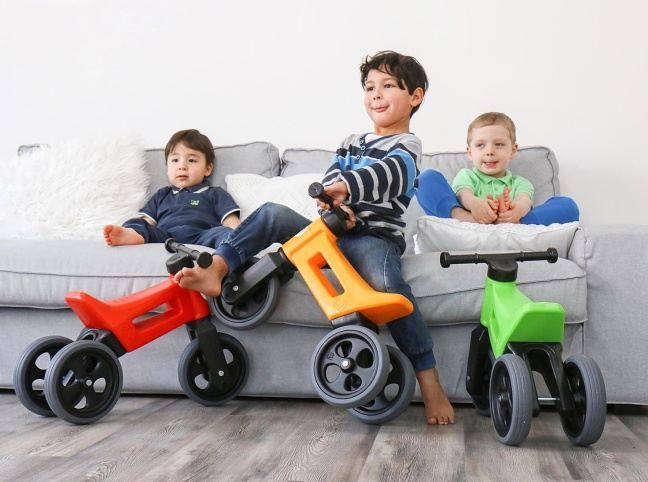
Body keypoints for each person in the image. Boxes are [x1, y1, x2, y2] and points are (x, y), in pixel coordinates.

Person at [174, 51, 455, 425]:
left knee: (390, 286)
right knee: (272, 213)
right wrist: (330, 199)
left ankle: (430, 383)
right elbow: (329, 181)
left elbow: (392, 175)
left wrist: (346, 189)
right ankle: (219, 267)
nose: (376, 94)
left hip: (374, 238)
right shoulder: (351, 142)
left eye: (388, 86)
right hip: (330, 232)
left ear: (415, 96)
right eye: (370, 87)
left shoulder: (407, 145)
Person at [417, 112, 579, 225]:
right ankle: (463, 218)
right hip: (468, 222)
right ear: (470, 152)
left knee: (567, 206)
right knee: (425, 179)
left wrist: (515, 212)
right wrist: (475, 205)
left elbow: (524, 200)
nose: (489, 151)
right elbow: (464, 194)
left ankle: (518, 225)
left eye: (499, 144)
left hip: (513, 226)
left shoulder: (520, 183)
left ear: (513, 150)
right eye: (480, 145)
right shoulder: (467, 175)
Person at [103, 129, 240, 247]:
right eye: (175, 160)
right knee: (138, 223)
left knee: (224, 233)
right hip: (165, 237)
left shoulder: (215, 193)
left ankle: (235, 248)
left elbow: (231, 222)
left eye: (191, 160)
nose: (182, 166)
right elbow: (147, 221)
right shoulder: (162, 195)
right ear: (167, 167)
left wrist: (239, 235)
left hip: (202, 236)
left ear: (208, 169)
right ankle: (131, 235)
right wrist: (138, 229)